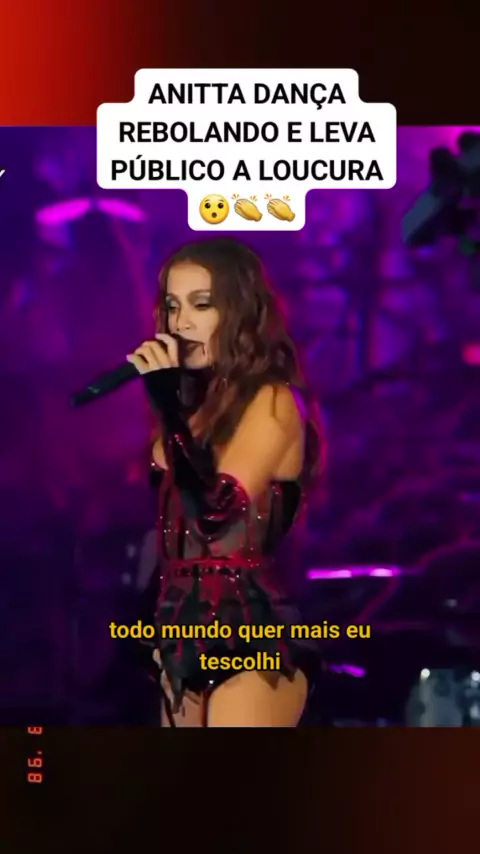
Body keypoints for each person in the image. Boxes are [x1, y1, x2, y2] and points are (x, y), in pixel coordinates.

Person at [127, 237, 324, 727]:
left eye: (201, 305)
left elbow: (216, 513)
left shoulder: (273, 400)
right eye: (173, 306)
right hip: (177, 632)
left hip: (251, 630)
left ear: (238, 311)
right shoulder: (189, 410)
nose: (181, 324)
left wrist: (168, 408)